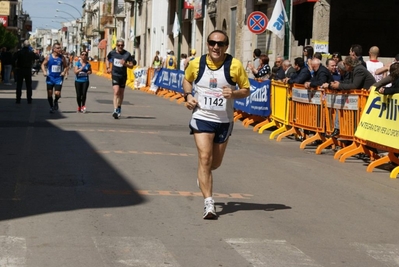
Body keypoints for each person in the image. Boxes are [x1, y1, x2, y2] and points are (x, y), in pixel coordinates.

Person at [183, 30, 250, 219]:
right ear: (207, 44)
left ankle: (203, 176)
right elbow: (187, 80)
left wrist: (234, 94)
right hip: (202, 117)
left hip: (224, 120)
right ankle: (209, 203)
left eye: (220, 44)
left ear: (226, 46)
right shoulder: (196, 63)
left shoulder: (234, 65)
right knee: (205, 158)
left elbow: (246, 90)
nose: (216, 47)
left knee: (215, 163)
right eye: (212, 43)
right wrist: (188, 96)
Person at [106, 39, 134, 119]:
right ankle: (115, 110)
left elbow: (131, 66)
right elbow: (107, 59)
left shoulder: (127, 54)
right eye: (119, 45)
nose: (120, 47)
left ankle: (119, 107)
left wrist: (125, 64)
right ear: (116, 46)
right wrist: (108, 67)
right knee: (116, 91)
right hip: (115, 74)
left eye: (122, 45)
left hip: (123, 76)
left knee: (121, 93)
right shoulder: (112, 53)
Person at [41, 42, 68, 113]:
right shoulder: (49, 57)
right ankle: (51, 106)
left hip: (58, 78)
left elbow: (65, 66)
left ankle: (55, 101)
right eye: (58, 48)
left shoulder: (62, 58)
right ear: (54, 49)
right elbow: (43, 65)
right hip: (50, 78)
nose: (59, 49)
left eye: (60, 48)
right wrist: (44, 71)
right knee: (49, 93)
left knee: (57, 93)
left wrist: (63, 72)